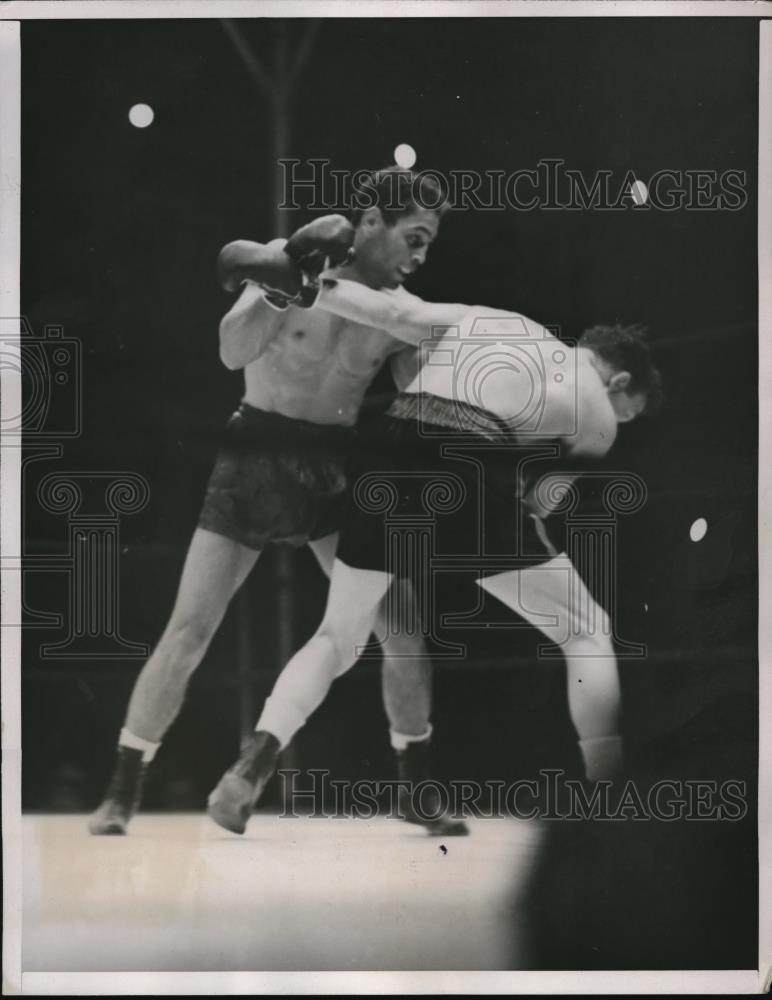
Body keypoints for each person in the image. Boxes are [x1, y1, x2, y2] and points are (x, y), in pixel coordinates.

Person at [206, 259, 662, 829]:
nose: (625, 420)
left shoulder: (499, 322)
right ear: (619, 382)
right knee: (585, 628)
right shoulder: (599, 416)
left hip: (393, 446)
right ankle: (610, 798)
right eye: (631, 410)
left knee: (338, 635)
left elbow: (395, 312)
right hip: (473, 459)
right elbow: (540, 501)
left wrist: (304, 288)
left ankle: (253, 763)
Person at [89, 169, 466, 836]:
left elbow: (422, 409)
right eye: (414, 236)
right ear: (372, 219)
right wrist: (285, 279)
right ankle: (123, 790)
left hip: (334, 469)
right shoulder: (290, 261)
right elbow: (232, 350)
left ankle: (415, 787)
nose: (421, 254)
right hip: (255, 457)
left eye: (430, 242)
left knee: (402, 631)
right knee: (189, 630)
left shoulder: (403, 315)